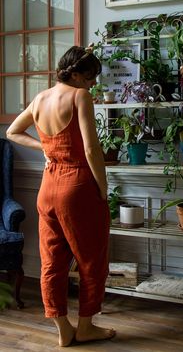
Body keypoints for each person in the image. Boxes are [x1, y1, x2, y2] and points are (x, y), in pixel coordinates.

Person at [6, 45, 116, 347]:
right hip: (77, 186)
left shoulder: (40, 99)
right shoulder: (80, 96)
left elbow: (12, 132)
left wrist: (45, 148)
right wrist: (102, 187)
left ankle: (62, 329)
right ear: (78, 74)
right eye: (91, 77)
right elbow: (92, 149)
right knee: (92, 259)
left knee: (52, 262)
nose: (93, 83)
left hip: (48, 185)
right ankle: (86, 327)